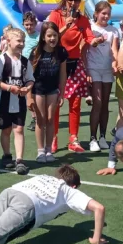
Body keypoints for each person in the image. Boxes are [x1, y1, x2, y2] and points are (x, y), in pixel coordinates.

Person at [47, 0, 94, 153]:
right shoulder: (56, 15)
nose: (73, 3)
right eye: (70, 0)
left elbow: (89, 36)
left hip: (75, 64)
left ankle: (73, 139)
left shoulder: (82, 19)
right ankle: (53, 137)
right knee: (56, 103)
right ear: (64, 0)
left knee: (75, 104)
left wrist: (95, 41)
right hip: (57, 64)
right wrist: (65, 25)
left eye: (76, 0)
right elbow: (50, 38)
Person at [0, 27, 35, 175]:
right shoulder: (1, 60)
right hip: (3, 101)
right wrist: (10, 88)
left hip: (20, 102)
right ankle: (6, 155)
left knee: (19, 129)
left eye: (23, 41)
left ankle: (19, 160)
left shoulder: (25, 61)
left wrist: (27, 88)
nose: (21, 44)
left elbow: (30, 79)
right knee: (6, 130)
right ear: (8, 42)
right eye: (18, 41)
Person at [30, 21, 68, 163]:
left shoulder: (61, 52)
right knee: (41, 120)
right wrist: (29, 96)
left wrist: (62, 93)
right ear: (43, 37)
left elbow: (63, 74)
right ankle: (40, 151)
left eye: (55, 35)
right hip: (38, 90)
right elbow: (29, 75)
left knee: (51, 119)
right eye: (49, 36)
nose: (52, 38)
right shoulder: (36, 52)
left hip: (53, 89)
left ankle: (48, 150)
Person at [87, 2, 118, 150]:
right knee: (97, 102)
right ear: (96, 13)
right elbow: (85, 46)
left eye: (108, 14)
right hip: (93, 68)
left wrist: (116, 64)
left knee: (105, 103)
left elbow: (114, 50)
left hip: (107, 70)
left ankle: (102, 137)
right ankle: (92, 138)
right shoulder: (90, 28)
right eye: (103, 13)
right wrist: (86, 70)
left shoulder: (113, 31)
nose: (105, 16)